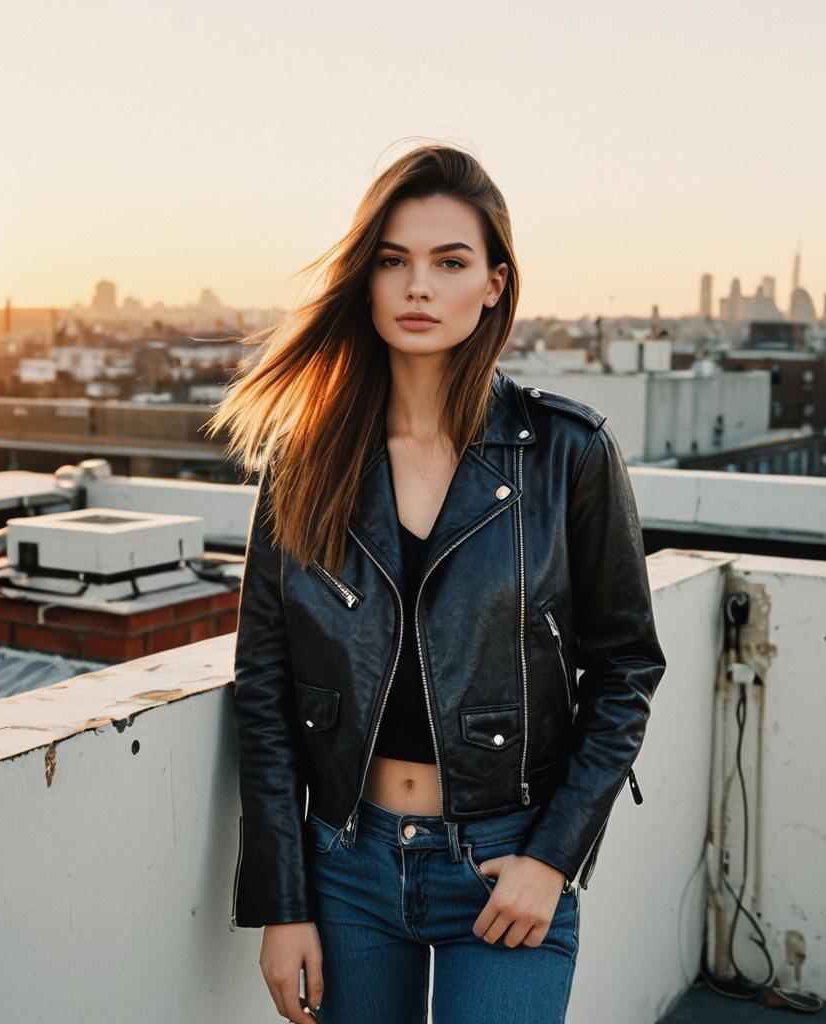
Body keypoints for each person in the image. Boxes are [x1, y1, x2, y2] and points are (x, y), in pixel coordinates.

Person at [205, 142, 666, 1024]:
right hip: (346, 864)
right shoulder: (303, 465)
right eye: (393, 261)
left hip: (505, 865)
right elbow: (263, 687)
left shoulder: (568, 453)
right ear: (366, 281)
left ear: (495, 284)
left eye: (450, 263)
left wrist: (554, 857)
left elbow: (625, 671)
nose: (418, 287)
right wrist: (282, 899)